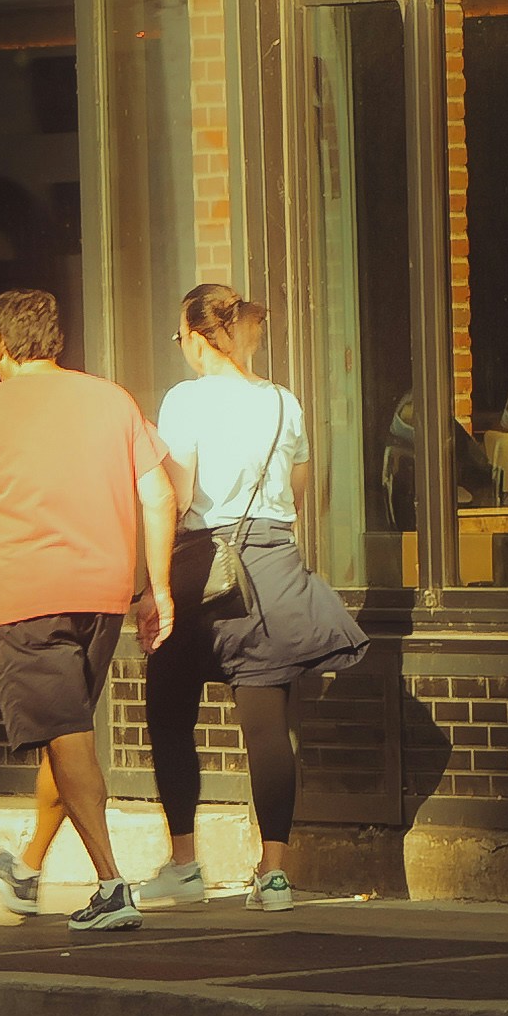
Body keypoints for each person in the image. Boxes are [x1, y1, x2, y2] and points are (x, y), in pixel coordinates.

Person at [0, 288, 174, 934]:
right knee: (68, 733)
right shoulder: (112, 400)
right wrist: (157, 589)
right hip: (104, 598)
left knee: (68, 736)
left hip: (30, 599)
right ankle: (27, 869)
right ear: (54, 340)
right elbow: (162, 493)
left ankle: (112, 886)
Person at [141, 283, 314, 911]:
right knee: (267, 728)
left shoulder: (184, 400)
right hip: (271, 563)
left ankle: (185, 864)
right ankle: (273, 875)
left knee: (167, 710)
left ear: (194, 334)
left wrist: (153, 586)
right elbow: (299, 494)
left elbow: (177, 496)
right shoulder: (282, 401)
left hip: (202, 562)